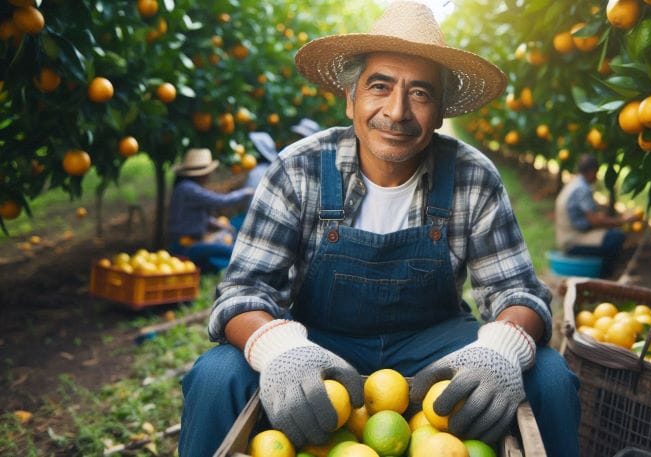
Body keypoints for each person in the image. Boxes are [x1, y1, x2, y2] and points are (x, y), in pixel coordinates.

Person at [179, 2, 580, 456]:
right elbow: (241, 293)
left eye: (421, 93)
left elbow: (519, 294)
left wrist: (502, 350)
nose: (397, 111)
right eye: (379, 86)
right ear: (350, 98)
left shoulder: (471, 175)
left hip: (433, 347)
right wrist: (281, 350)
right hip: (318, 342)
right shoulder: (299, 170)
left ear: (441, 111)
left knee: (549, 376)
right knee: (216, 375)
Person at [167, 148, 254, 273]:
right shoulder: (188, 189)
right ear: (202, 173)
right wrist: (246, 192)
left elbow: (193, 217)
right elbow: (221, 201)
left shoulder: (184, 187)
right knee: (234, 252)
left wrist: (219, 225)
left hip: (190, 242)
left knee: (215, 263)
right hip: (184, 246)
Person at [555, 154, 640, 277]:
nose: (597, 176)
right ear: (591, 171)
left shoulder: (574, 182)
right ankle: (605, 278)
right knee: (615, 239)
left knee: (610, 234)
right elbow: (595, 221)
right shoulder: (582, 188)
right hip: (572, 240)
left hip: (567, 235)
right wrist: (624, 220)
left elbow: (585, 215)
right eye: (596, 172)